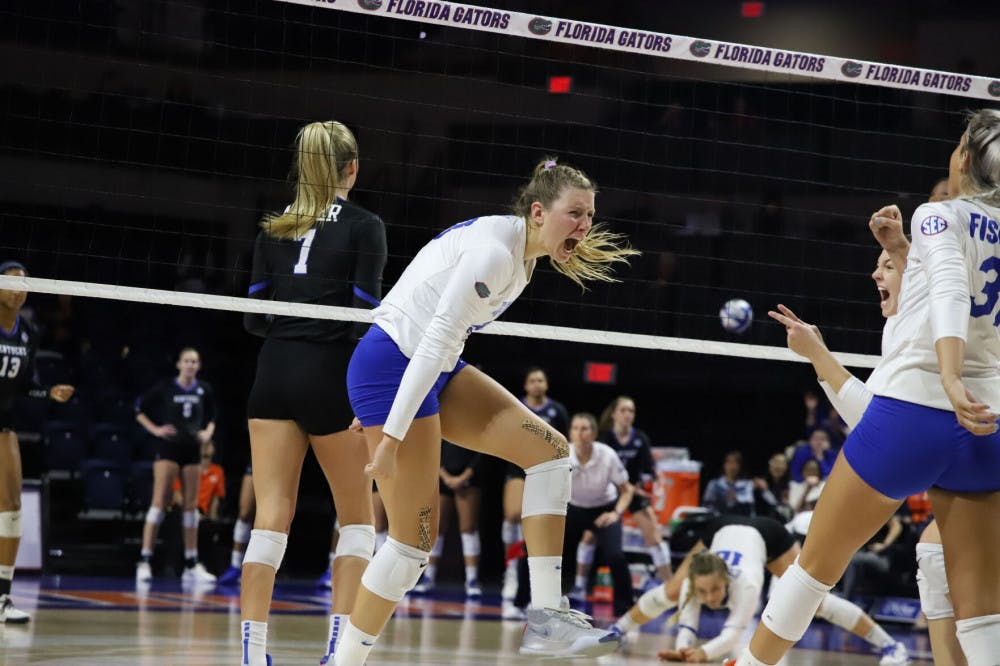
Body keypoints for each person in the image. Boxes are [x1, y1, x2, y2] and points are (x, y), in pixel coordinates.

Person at [339, 157, 637, 664]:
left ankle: (546, 619)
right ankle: (343, 660)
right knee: (411, 548)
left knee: (550, 454)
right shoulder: (496, 255)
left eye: (590, 216)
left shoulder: (524, 256)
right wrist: (389, 434)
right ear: (539, 212)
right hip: (396, 366)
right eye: (576, 213)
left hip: (425, 368)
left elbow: (433, 335)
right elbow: (431, 340)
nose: (585, 226)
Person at [732, 109, 1000, 666]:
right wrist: (904, 251)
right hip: (987, 420)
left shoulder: (939, 212)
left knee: (811, 571)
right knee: (983, 615)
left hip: (917, 412)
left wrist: (948, 375)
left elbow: (951, 291)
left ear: (966, 159)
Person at [759, 181, 964, 664]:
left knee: (811, 570)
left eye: (887, 267)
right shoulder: (901, 325)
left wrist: (817, 354)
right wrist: (897, 248)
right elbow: (875, 419)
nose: (876, 272)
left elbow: (879, 425)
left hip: (956, 432)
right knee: (936, 558)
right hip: (946, 441)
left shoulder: (945, 301)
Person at [241, 120, 387, 666]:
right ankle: (339, 653)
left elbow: (254, 317)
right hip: (329, 375)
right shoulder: (366, 225)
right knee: (356, 519)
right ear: (352, 168)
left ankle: (253, 654)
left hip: (272, 372)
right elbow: (363, 319)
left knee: (270, 515)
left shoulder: (271, 228)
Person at [612, 514, 907, 664]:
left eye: (715, 590)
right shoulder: (695, 578)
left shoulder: (747, 584)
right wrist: (685, 651)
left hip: (769, 535)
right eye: (704, 592)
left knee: (815, 601)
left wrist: (702, 655)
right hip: (722, 528)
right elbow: (687, 621)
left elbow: (733, 635)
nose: (710, 598)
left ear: (726, 581)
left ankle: (891, 646)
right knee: (673, 590)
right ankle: (617, 629)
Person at [0, 261, 74, 623]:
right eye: (12, 283)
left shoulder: (28, 331)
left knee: (12, 508)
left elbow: (26, 383)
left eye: (25, 283)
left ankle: (2, 598)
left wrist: (49, 392)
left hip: (4, 424)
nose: (20, 289)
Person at [134, 346, 217, 585]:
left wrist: (207, 432)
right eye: (187, 361)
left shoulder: (204, 389)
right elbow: (139, 409)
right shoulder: (166, 387)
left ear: (198, 366)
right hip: (168, 448)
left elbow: (213, 416)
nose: (190, 365)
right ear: (179, 364)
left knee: (191, 506)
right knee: (159, 502)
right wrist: (156, 430)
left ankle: (191, 564)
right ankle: (144, 560)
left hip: (192, 450)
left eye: (194, 361)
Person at [501, 367, 569, 603]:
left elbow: (564, 442)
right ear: (526, 385)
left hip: (546, 468)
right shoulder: (516, 406)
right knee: (512, 515)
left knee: (541, 519)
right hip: (518, 467)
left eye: (541, 379)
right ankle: (510, 572)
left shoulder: (557, 410)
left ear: (546, 384)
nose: (537, 384)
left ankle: (538, 583)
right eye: (533, 380)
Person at [561, 412, 634, 616]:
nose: (579, 434)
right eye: (575, 429)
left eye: (584, 429)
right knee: (543, 549)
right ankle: (526, 601)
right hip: (573, 508)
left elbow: (627, 490)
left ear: (593, 434)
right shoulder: (562, 453)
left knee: (615, 555)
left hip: (604, 508)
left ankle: (625, 608)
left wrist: (616, 513)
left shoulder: (607, 455)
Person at [598, 396, 672, 583]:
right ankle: (580, 585)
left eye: (631, 411)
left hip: (635, 495)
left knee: (655, 538)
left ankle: (670, 585)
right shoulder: (604, 438)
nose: (627, 414)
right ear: (614, 413)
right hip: (610, 493)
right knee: (588, 537)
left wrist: (655, 483)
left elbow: (650, 470)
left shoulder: (640, 439)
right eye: (623, 410)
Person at [412, 440, 483, 597]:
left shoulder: (472, 424)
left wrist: (464, 476)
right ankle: (428, 577)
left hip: (468, 476)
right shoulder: (441, 421)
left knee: (468, 528)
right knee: (436, 527)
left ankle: (472, 579)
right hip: (442, 475)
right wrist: (444, 476)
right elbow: (431, 449)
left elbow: (481, 452)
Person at [217, 464, 254, 586]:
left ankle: (264, 570)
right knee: (244, 513)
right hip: (259, 455)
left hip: (280, 461)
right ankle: (236, 565)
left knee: (268, 517)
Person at [171, 440, 225, 519]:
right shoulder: (186, 468)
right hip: (183, 512)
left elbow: (215, 498)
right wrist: (192, 511)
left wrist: (212, 520)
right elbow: (176, 495)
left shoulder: (218, 471)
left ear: (214, 449)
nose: (206, 446)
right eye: (203, 443)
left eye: (209, 443)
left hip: (203, 515)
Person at [701, 451, 755, 516]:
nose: (732, 466)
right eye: (729, 462)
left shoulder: (747, 484)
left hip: (741, 519)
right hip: (719, 520)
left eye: (736, 463)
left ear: (740, 466)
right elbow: (707, 505)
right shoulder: (714, 484)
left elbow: (750, 501)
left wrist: (736, 498)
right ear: (724, 465)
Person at [752, 452, 791, 521]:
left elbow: (784, 511)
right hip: (760, 522)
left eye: (781, 463)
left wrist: (766, 491)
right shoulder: (761, 483)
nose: (777, 466)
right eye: (774, 462)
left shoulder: (791, 485)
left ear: (786, 467)